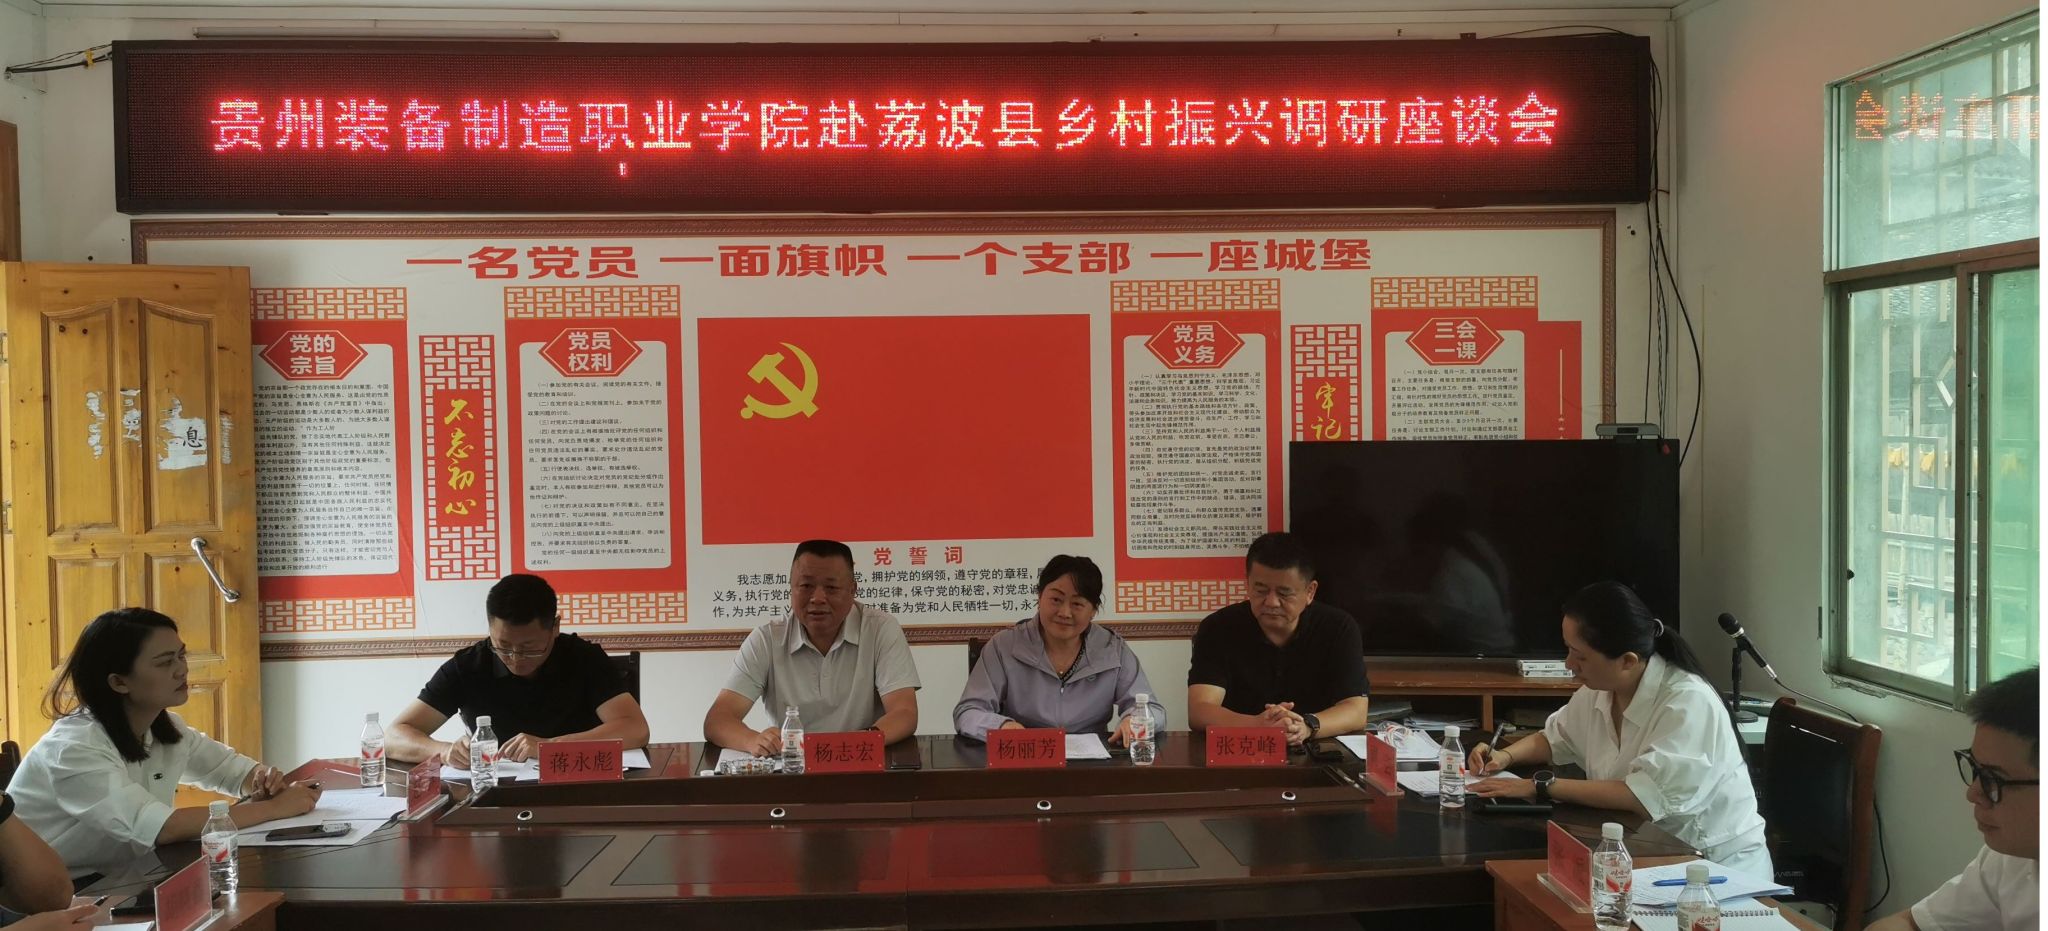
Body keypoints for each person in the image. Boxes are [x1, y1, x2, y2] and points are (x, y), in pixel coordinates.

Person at [1466, 582, 1771, 878]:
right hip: (1643, 854)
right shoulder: (1601, 688)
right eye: (1568, 650)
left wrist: (1540, 786)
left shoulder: (1687, 701)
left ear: (1627, 661)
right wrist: (1504, 756)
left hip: (1714, 870)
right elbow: (1554, 738)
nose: (1569, 664)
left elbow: (1641, 796)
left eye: (1580, 656)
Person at [10, 609, 320, 880]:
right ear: (118, 682)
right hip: (55, 895)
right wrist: (275, 808)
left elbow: (236, 773)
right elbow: (164, 828)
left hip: (124, 875)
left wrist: (266, 783)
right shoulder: (72, 747)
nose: (182, 669)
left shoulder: (164, 726)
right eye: (164, 662)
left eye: (181, 655)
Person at [386, 574, 650, 765]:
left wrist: (550, 747)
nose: (515, 658)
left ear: (555, 628)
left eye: (529, 648)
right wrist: (444, 751)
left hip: (576, 786)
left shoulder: (584, 657)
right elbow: (394, 736)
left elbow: (635, 728)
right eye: (502, 646)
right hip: (496, 794)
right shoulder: (468, 666)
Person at [703, 540, 920, 756]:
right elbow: (718, 720)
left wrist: (855, 744)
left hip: (861, 760)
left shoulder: (880, 629)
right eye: (806, 586)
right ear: (791, 588)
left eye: (831, 588)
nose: (817, 598)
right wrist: (753, 740)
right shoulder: (767, 639)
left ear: (852, 590)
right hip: (791, 766)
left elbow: (904, 712)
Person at [1869, 666, 2037, 931]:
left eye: (1993, 779)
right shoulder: (2013, 858)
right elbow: (1908, 924)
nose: (1973, 793)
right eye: (1976, 769)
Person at [954, 555, 1166, 741]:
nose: (1064, 612)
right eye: (1056, 599)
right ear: (1039, 597)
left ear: (1093, 610)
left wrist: (1134, 721)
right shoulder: (1004, 646)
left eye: (1077, 604)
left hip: (1093, 763)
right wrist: (1001, 726)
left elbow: (1153, 710)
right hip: (1023, 757)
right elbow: (968, 712)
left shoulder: (1112, 649)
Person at [1187, 532, 1372, 745]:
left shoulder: (1338, 628)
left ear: (1310, 592)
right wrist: (1257, 725)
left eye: (1284, 593)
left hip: (1317, 748)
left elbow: (1356, 710)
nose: (1271, 602)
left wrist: (1306, 726)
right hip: (1241, 747)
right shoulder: (1218, 627)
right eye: (1260, 590)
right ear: (1248, 584)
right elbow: (1200, 710)